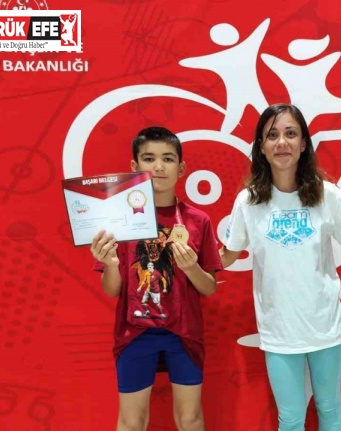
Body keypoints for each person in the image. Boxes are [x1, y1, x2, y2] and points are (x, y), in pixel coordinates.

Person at [220, 103, 341, 431]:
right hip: (279, 331)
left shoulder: (327, 195)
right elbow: (226, 255)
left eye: (291, 134)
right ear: (261, 147)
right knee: (290, 418)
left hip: (325, 326)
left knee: (329, 408)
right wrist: (185, 263)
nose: (282, 142)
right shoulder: (248, 202)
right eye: (272, 135)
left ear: (304, 143)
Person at [90, 126, 222, 431]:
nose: (159, 166)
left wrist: (191, 268)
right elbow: (112, 290)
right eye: (149, 158)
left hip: (184, 332)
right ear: (135, 166)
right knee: (131, 421)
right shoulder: (119, 219)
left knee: (190, 419)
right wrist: (111, 264)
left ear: (181, 168)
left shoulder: (198, 220)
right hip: (134, 332)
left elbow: (209, 287)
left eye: (168, 159)